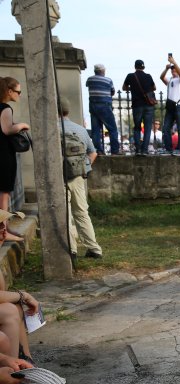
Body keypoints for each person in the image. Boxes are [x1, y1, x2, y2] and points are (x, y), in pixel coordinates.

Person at [59, 98, 103, 260]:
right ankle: (94, 248)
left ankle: (72, 250)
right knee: (82, 212)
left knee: (65, 214)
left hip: (59, 177)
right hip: (78, 176)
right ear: (68, 111)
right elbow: (93, 153)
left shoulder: (50, 130)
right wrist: (84, 167)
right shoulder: (80, 129)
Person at [0, 77, 29, 243]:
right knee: (4, 194)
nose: (19, 94)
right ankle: (2, 232)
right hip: (4, 155)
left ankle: (4, 228)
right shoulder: (5, 108)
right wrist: (22, 125)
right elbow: (7, 129)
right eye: (18, 91)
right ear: (9, 91)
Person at [122, 59, 156, 156]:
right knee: (148, 128)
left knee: (137, 128)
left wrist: (132, 88)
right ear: (143, 67)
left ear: (135, 67)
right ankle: (144, 150)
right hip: (148, 105)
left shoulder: (130, 76)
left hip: (137, 105)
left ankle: (138, 150)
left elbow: (124, 88)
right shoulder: (148, 76)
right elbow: (154, 88)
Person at [85, 64, 120, 155]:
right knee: (112, 129)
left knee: (96, 129)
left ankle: (98, 150)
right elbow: (112, 91)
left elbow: (87, 86)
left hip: (93, 105)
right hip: (104, 105)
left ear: (95, 71)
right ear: (103, 71)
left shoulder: (90, 79)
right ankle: (115, 151)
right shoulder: (108, 80)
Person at [160, 55, 180, 156]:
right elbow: (161, 77)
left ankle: (179, 149)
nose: (173, 71)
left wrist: (174, 62)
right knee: (166, 128)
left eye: (174, 70)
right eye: (172, 71)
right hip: (171, 106)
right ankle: (168, 148)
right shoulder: (171, 80)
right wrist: (166, 69)